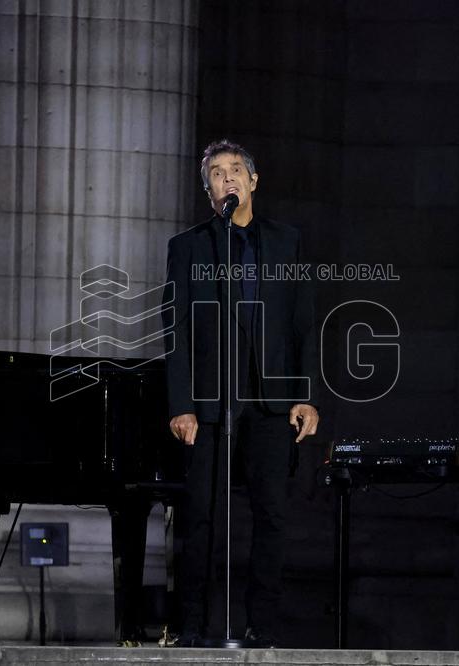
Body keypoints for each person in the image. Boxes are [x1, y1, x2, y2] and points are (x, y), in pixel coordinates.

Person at [162, 140, 320, 647]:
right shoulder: (189, 247)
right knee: (203, 517)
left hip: (270, 402)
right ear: (208, 190)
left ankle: (262, 627)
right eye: (216, 174)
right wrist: (181, 404)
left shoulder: (287, 241)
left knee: (271, 515)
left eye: (236, 171)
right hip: (210, 404)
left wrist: (305, 394)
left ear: (253, 181)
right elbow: (178, 331)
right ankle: (192, 627)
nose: (227, 179)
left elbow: (303, 325)